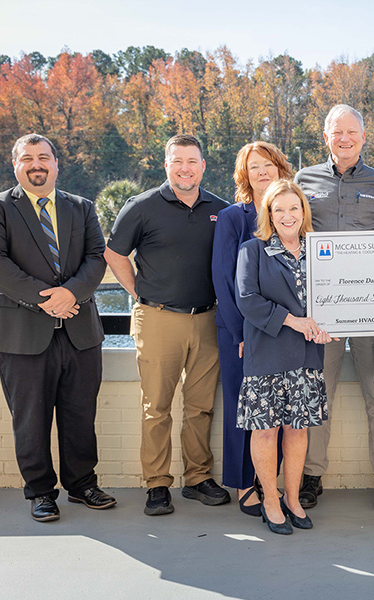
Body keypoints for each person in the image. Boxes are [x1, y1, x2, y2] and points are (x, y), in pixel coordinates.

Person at [0, 133, 115, 522]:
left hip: (79, 331)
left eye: (44, 157)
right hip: (21, 334)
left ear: (56, 163)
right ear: (15, 165)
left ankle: (83, 484)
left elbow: (97, 257)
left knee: (80, 413)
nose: (37, 164)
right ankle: (40, 492)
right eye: (27, 158)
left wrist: (72, 294)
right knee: (30, 417)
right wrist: (48, 298)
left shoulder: (81, 208)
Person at [105, 134, 231, 516]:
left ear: (203, 166)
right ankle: (157, 484)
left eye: (192, 161)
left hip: (207, 320)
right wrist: (138, 291)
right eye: (177, 161)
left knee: (200, 407)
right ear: (166, 164)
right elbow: (113, 253)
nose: (185, 168)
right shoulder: (141, 207)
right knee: (156, 407)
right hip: (158, 319)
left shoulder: (220, 210)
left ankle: (197, 478)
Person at [294, 104, 374, 510]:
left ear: (363, 136)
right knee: (318, 394)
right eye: (337, 132)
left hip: (370, 308)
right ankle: (311, 475)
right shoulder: (303, 181)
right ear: (326, 137)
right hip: (320, 310)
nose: (344, 139)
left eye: (351, 132)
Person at [236, 180, 334, 535]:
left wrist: (330, 326)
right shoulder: (253, 251)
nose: (288, 215)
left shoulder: (319, 250)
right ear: (269, 215)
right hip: (267, 354)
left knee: (298, 431)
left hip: (308, 355)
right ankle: (271, 501)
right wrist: (294, 321)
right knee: (265, 431)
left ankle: (293, 499)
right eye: (279, 210)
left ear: (303, 212)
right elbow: (247, 299)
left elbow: (335, 299)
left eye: (294, 208)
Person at [212, 141, 293, 516]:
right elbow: (224, 281)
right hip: (241, 334)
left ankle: (271, 485)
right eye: (254, 167)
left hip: (282, 333)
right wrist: (238, 334)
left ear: (280, 168)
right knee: (243, 409)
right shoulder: (233, 217)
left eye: (268, 165)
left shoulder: (290, 211)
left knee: (277, 413)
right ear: (245, 175)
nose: (262, 172)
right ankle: (246, 485)